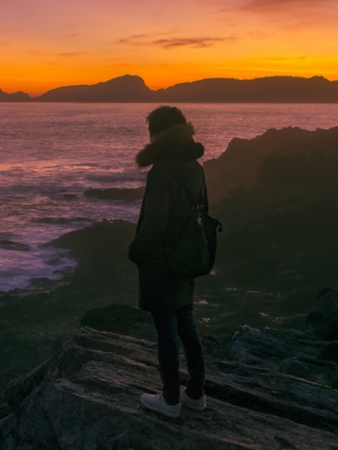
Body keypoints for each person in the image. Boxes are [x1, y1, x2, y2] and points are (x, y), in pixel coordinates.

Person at [128, 106, 208, 419]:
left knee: (165, 329)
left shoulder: (162, 169)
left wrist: (137, 250)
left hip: (162, 260)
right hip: (186, 256)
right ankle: (196, 394)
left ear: (158, 133)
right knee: (186, 322)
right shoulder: (194, 165)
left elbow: (155, 222)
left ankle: (171, 399)